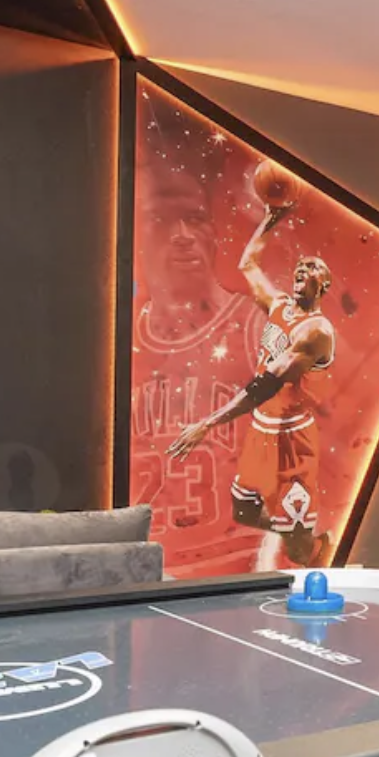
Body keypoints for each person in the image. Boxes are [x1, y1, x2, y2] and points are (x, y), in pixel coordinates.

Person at [168, 194, 336, 568]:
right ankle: (293, 530)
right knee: (243, 510)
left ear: (324, 285)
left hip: (292, 439)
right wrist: (270, 219)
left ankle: (313, 551)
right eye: (299, 267)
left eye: (311, 269)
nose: (302, 270)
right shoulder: (279, 305)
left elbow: (266, 384)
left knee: (297, 551)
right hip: (262, 429)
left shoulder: (316, 332)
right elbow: (248, 264)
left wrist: (207, 423)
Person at [131, 160, 265, 573]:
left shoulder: (252, 325)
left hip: (236, 561)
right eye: (162, 219)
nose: (183, 235)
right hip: (150, 566)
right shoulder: (122, 337)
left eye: (195, 218)